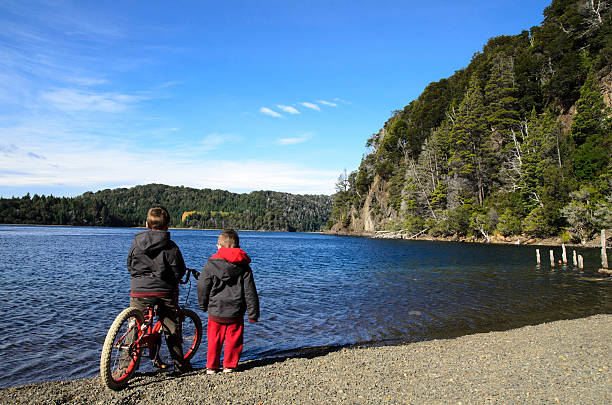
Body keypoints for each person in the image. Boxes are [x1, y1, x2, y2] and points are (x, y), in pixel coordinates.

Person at [126, 206, 192, 373]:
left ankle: (125, 368)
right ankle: (180, 364)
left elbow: (129, 264)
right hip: (164, 290)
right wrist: (174, 278)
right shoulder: (171, 246)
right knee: (170, 325)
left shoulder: (136, 242)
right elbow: (179, 270)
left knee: (134, 326)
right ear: (168, 225)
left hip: (139, 289)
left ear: (147, 224)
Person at [197, 230, 260, 374]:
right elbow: (250, 292)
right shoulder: (244, 267)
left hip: (216, 309)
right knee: (234, 339)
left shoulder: (211, 264)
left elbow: (202, 285)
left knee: (214, 339)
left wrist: (203, 304)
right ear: (238, 247)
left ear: (218, 246)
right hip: (235, 310)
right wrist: (253, 313)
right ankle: (229, 365)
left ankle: (211, 366)